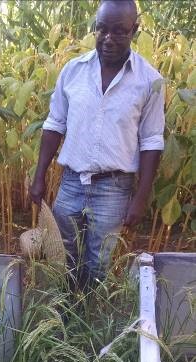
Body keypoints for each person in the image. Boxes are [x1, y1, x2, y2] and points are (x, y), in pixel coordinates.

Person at [30, 0, 165, 281]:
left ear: (135, 31)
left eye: (119, 31)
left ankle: (88, 318)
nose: (108, 38)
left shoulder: (149, 80)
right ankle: (60, 316)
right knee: (60, 257)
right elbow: (55, 124)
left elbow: (151, 141)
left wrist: (140, 197)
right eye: (101, 29)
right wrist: (40, 175)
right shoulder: (72, 71)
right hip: (70, 183)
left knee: (97, 265)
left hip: (114, 188)